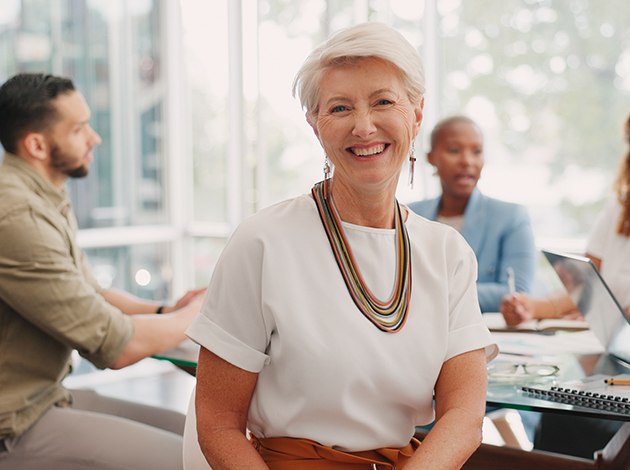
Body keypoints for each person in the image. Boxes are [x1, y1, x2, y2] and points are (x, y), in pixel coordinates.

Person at [186, 22, 498, 469]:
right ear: (315, 125)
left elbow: (464, 417)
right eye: (339, 108)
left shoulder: (447, 253)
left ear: (416, 113)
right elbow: (217, 424)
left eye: (384, 102)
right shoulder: (262, 242)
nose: (364, 126)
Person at [0, 73, 205, 470]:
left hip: (44, 398)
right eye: (79, 129)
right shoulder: (17, 216)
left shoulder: (39, 195)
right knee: (196, 461)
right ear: (37, 145)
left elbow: (89, 293)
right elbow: (116, 348)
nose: (94, 138)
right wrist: (196, 317)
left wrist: (165, 312)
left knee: (198, 436)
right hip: (15, 423)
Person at [501, 112, 630, 459]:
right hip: (617, 360)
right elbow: (584, 291)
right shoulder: (619, 208)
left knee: (586, 423)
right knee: (562, 413)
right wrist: (530, 307)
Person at [408, 116, 537, 313]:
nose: (467, 161)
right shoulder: (408, 215)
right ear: (431, 157)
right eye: (454, 150)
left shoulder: (511, 217)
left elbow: (516, 293)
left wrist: (425, 293)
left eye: (476, 152)